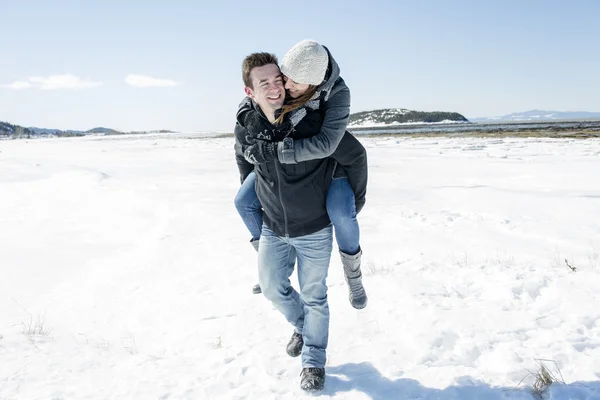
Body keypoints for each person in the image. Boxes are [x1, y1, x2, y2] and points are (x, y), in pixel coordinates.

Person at [233, 47, 367, 391]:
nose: (278, 86)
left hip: (313, 228)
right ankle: (306, 327)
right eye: (266, 82)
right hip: (274, 227)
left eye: (280, 79)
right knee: (273, 290)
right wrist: (255, 194)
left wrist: (354, 200)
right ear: (250, 91)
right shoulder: (247, 124)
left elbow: (351, 153)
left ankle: (313, 361)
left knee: (315, 296)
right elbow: (243, 160)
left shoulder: (314, 118)